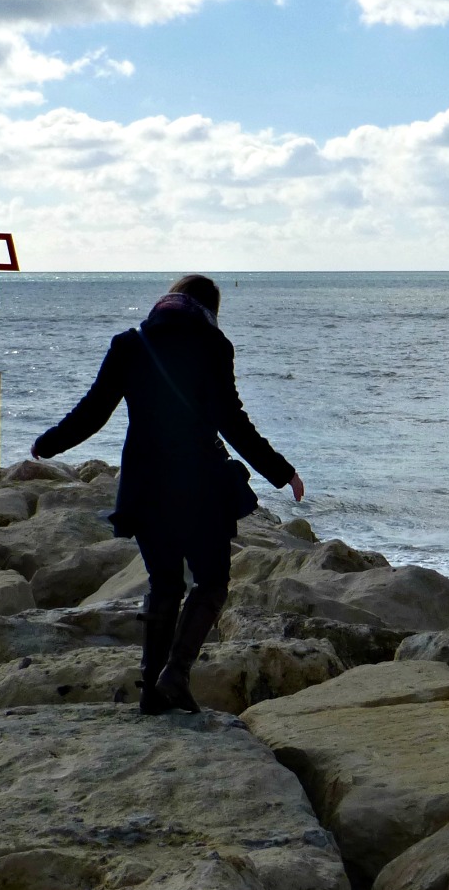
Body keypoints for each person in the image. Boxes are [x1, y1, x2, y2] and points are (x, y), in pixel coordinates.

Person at [31, 274, 305, 715]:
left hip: (146, 482)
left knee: (165, 583)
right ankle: (175, 672)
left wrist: (48, 443)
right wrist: (281, 471)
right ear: (210, 308)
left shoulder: (130, 343)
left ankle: (151, 691)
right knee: (211, 582)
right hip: (199, 481)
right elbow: (231, 421)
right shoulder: (214, 346)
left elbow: (94, 410)